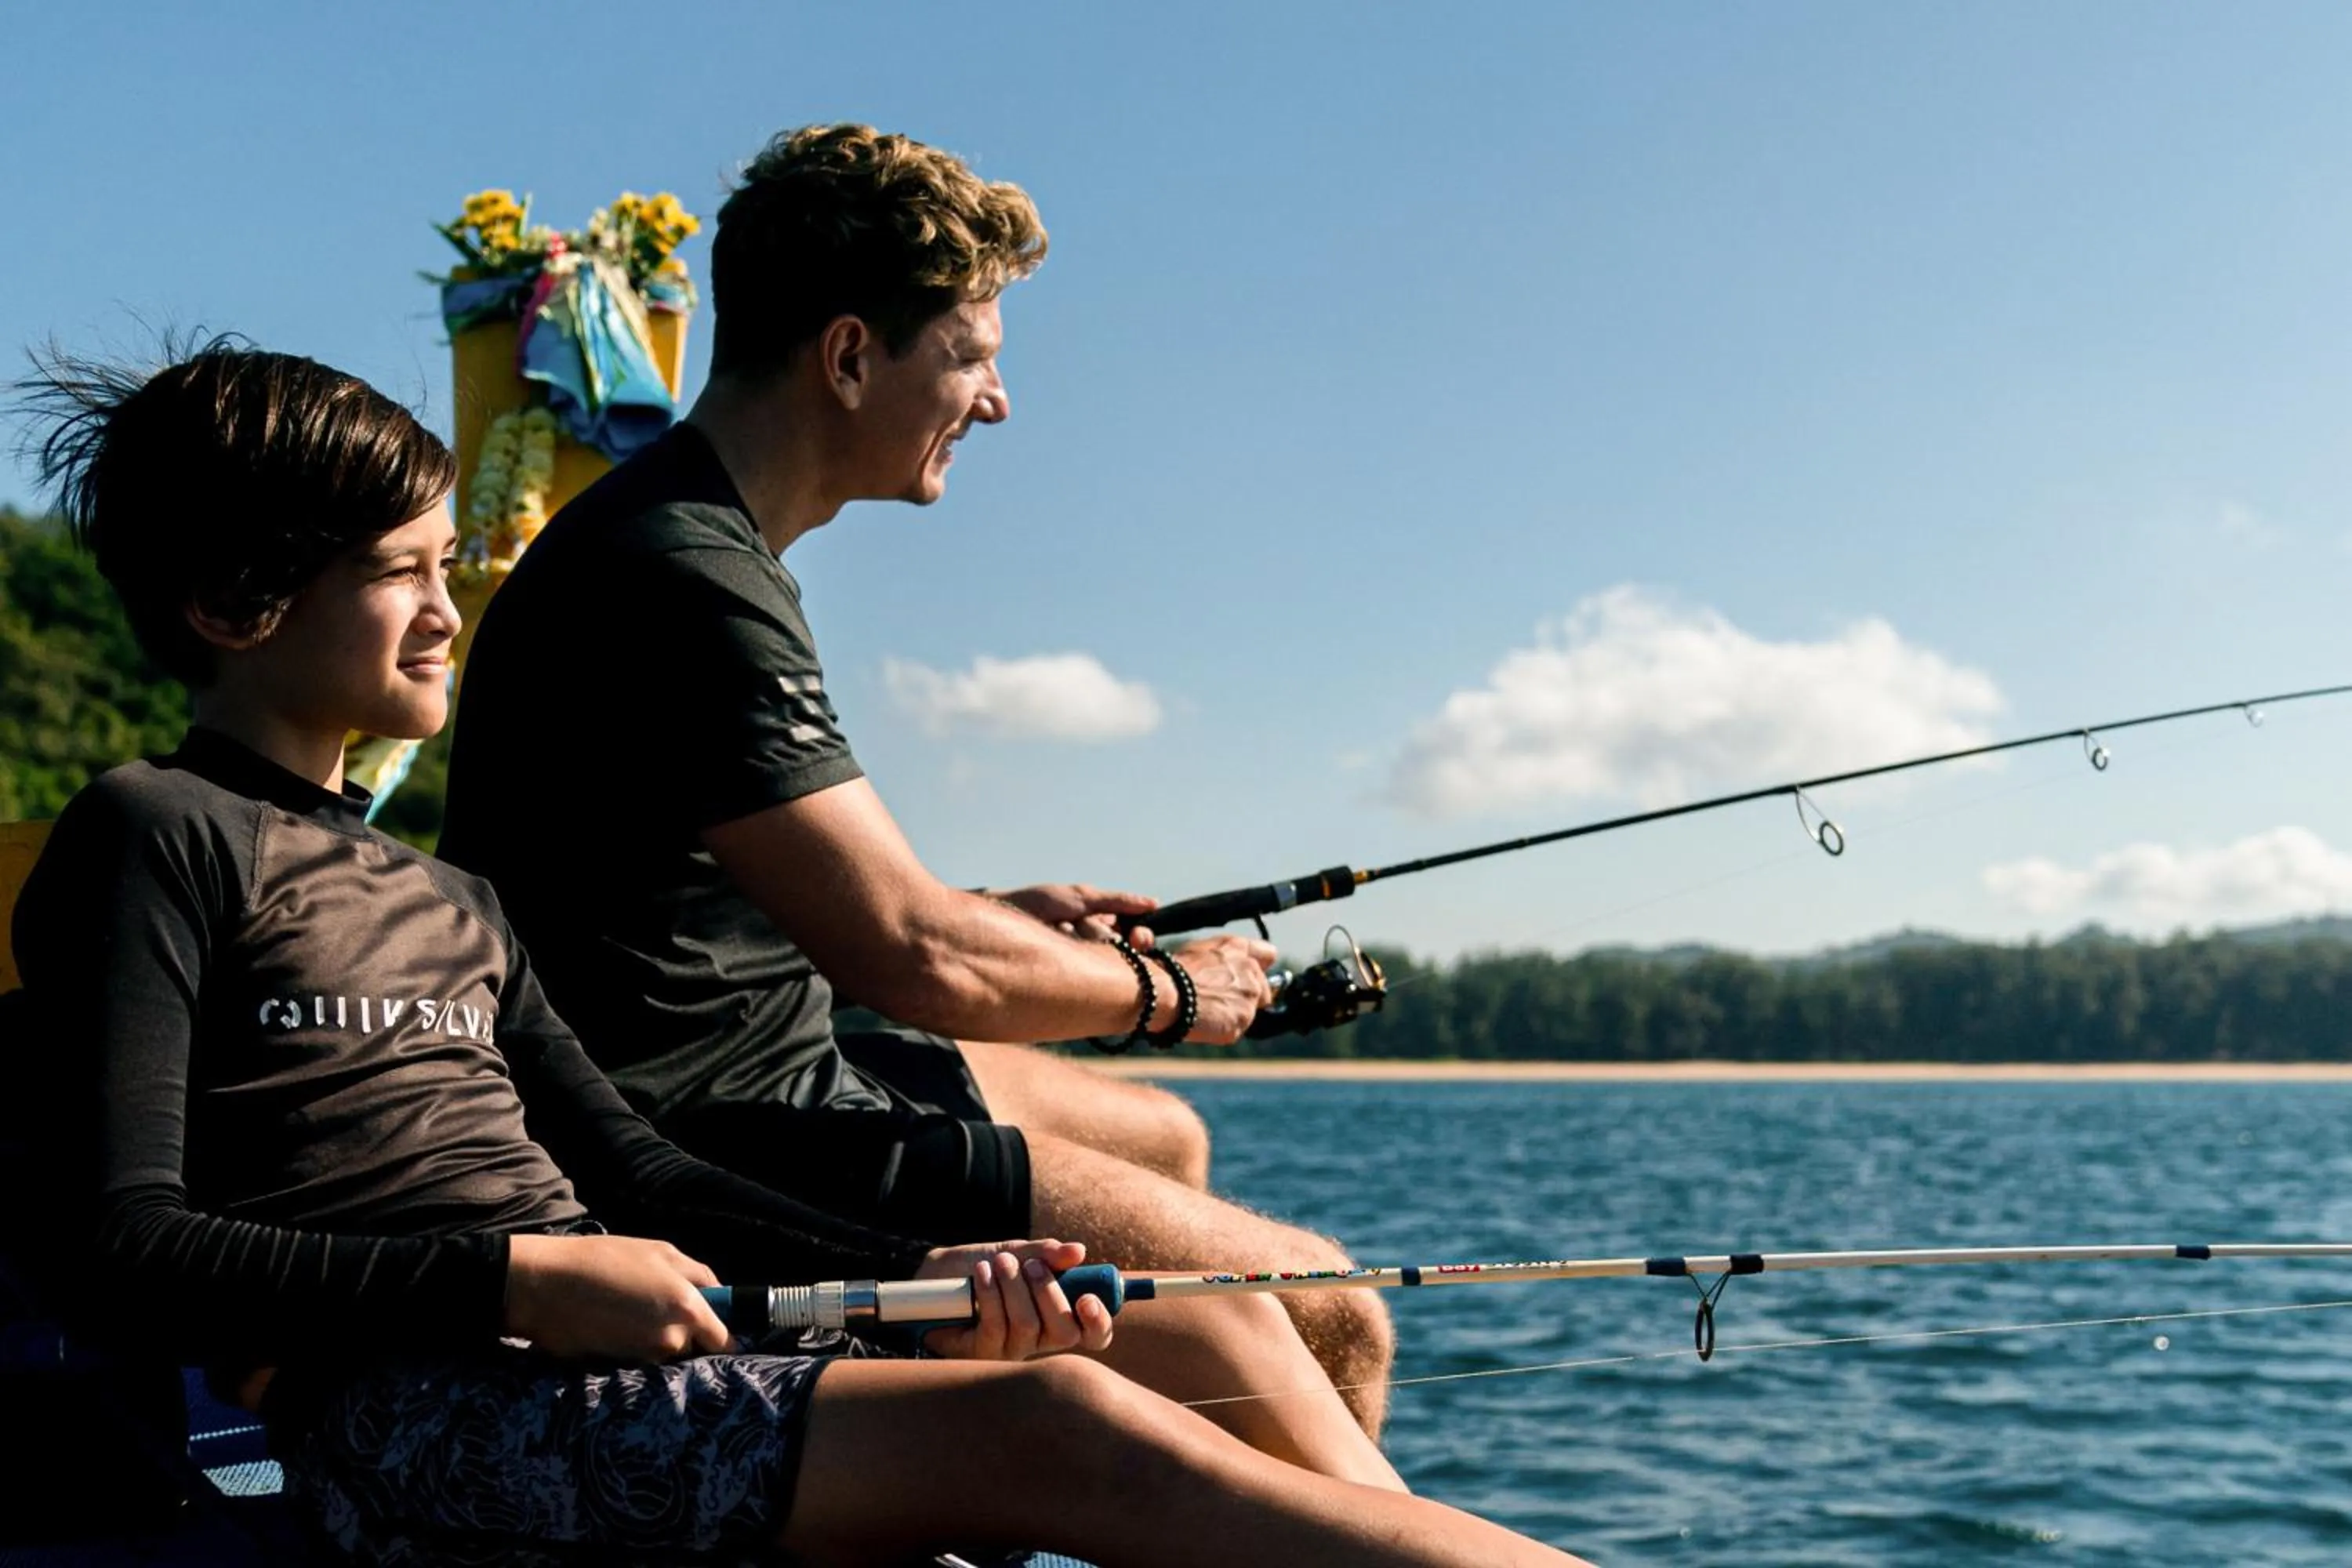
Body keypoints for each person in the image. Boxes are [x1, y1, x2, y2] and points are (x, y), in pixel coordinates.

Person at [6, 339, 1586, 1566]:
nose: (446, 608)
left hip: (623, 1350)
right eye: (402, 573)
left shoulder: (454, 900)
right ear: (236, 598)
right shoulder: (158, 833)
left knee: (1176, 1324)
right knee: (1051, 1423)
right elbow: (118, 1245)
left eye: (445, 564)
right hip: (409, 1413)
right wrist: (513, 1277)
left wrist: (925, 1281)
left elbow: (636, 1173)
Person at [437, 125, 1396, 1428]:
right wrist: (1170, 991)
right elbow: (909, 954)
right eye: (973, 359)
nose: (995, 403)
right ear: (848, 356)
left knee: (1167, 1141)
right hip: (707, 1127)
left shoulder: (699, 536)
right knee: (1331, 1309)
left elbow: (791, 892)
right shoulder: (683, 572)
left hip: (774, 1044)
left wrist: (1005, 915)